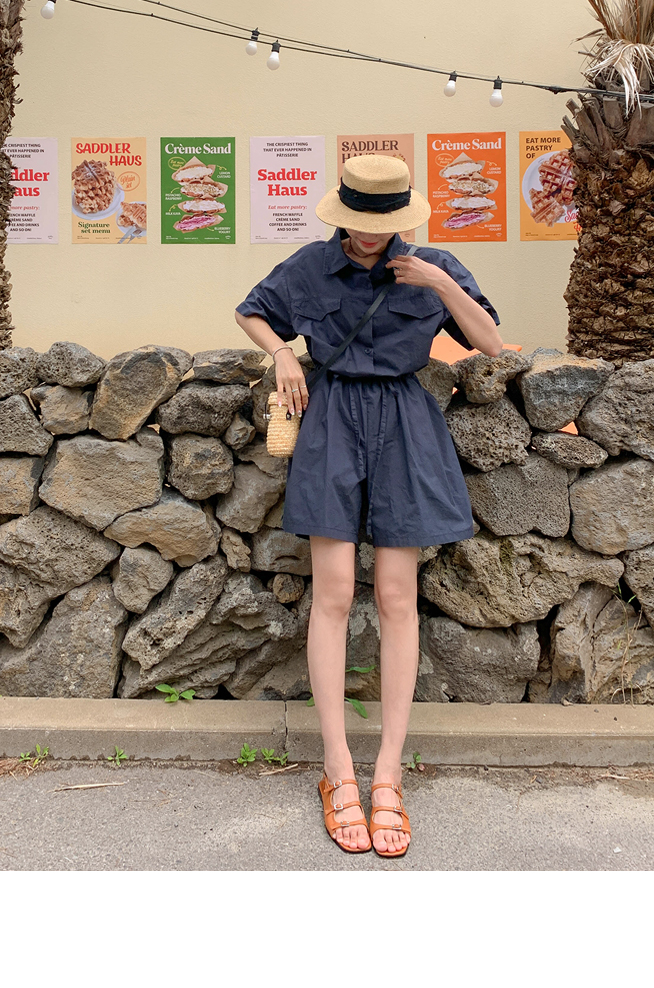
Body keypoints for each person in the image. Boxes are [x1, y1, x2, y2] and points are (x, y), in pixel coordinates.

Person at [235, 153, 502, 858]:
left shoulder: (433, 265)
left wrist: (439, 281)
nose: (368, 234)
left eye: (380, 223)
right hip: (330, 420)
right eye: (357, 221)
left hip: (405, 424)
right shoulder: (310, 266)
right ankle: (337, 768)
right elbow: (250, 310)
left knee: (395, 597)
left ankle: (388, 773)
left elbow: (489, 342)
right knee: (330, 594)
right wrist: (282, 354)